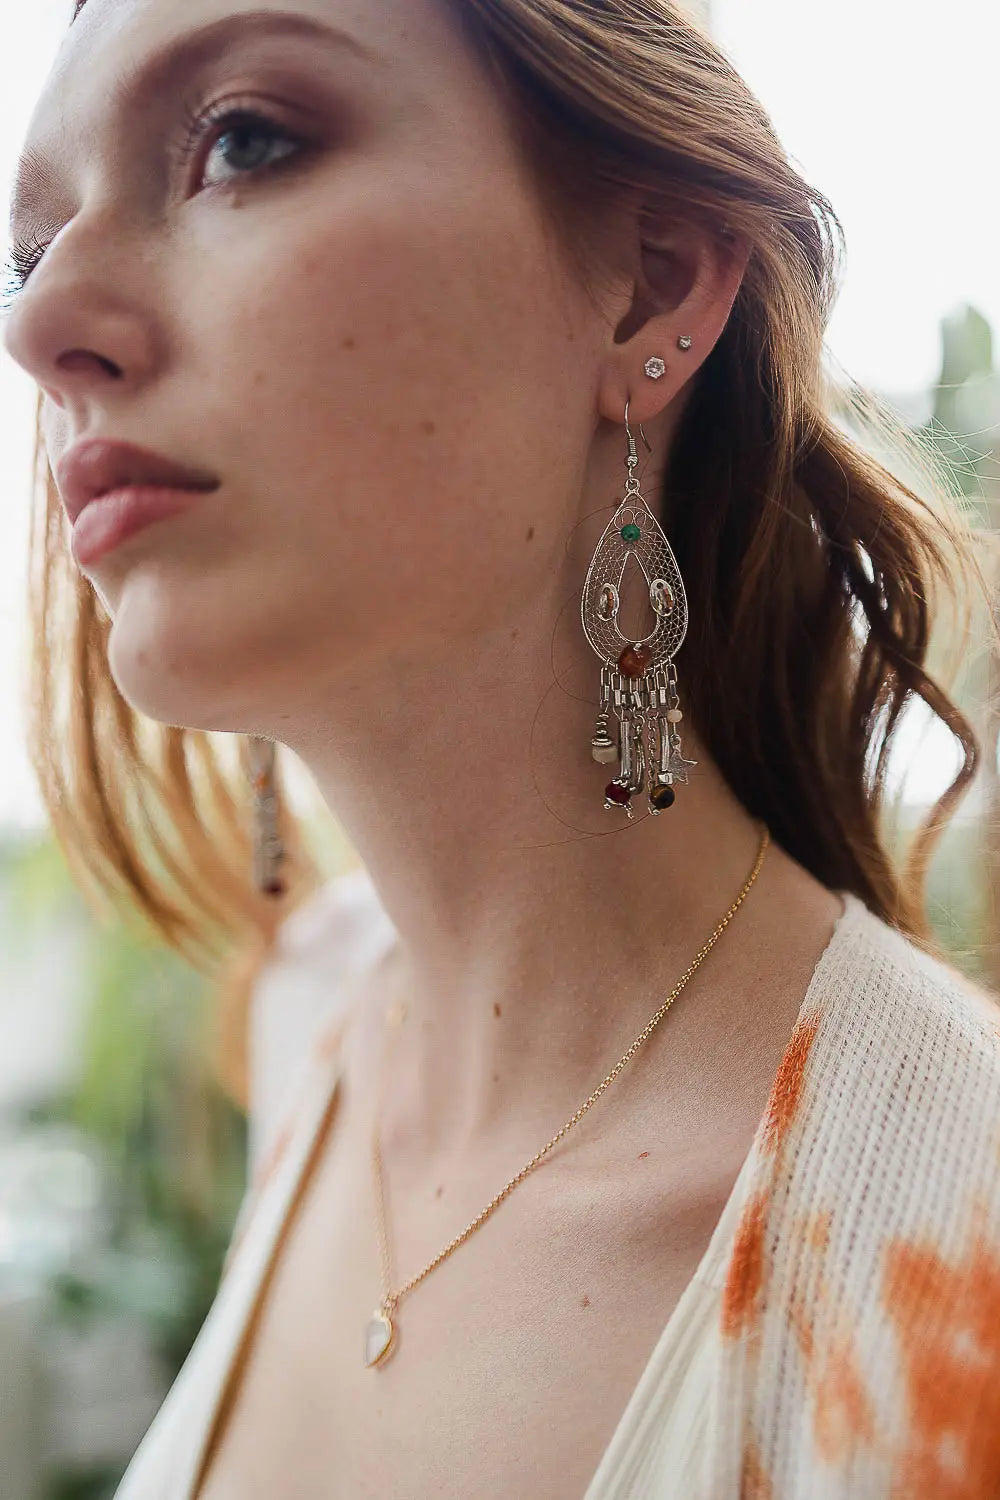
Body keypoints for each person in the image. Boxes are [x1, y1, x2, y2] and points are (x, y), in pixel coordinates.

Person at [3, 0, 999, 1495]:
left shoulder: (950, 1226)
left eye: (242, 142)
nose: (38, 324)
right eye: (25, 251)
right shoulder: (315, 1025)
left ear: (648, 288)